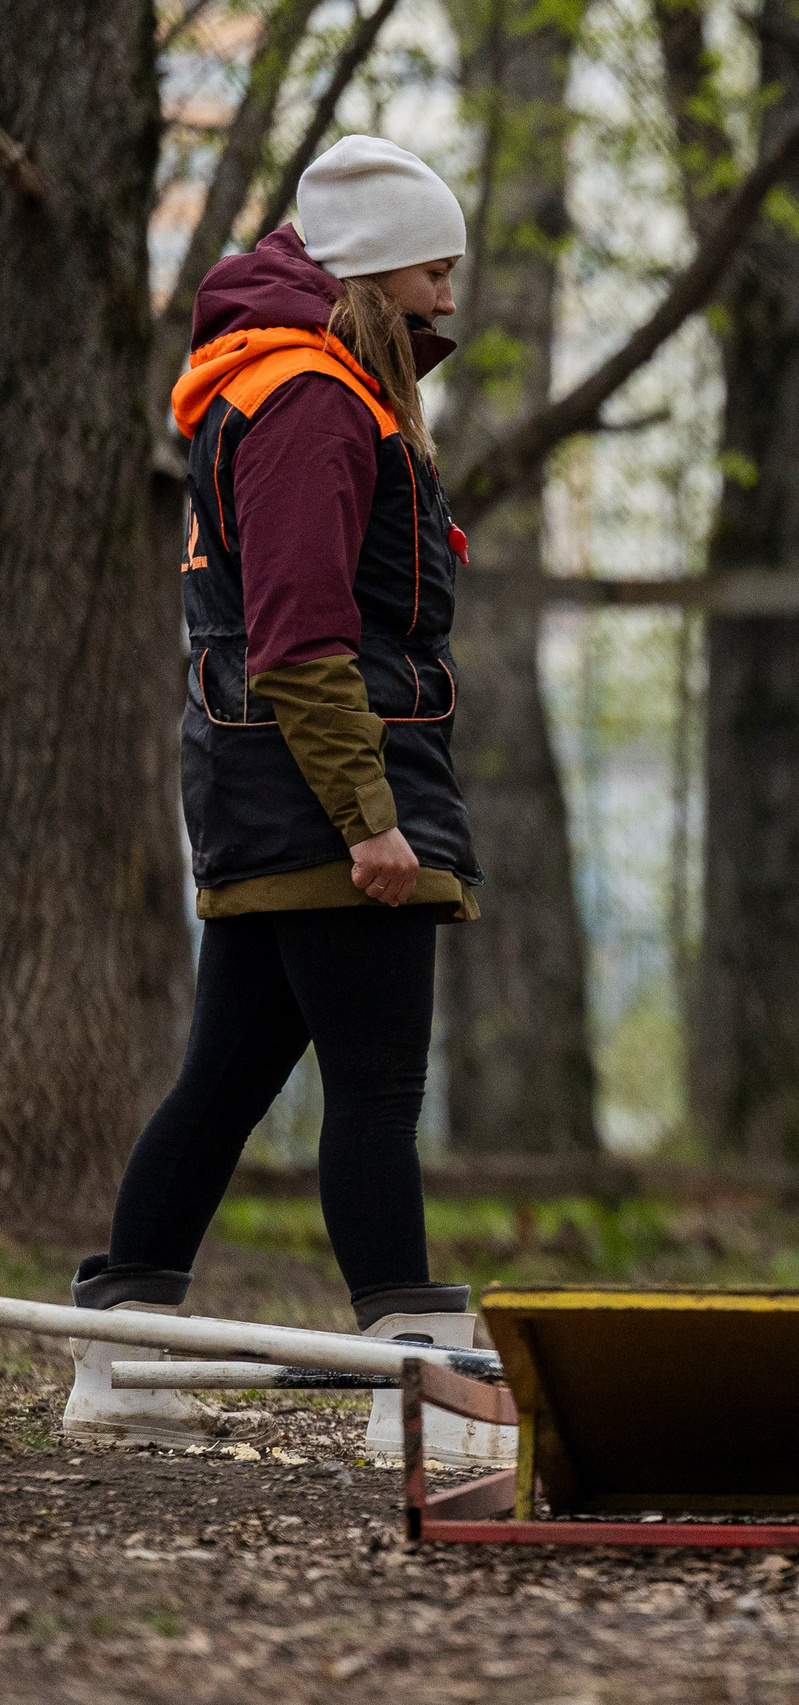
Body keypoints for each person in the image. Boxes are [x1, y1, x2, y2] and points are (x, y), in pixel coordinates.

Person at [63, 137, 491, 1449]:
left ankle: (122, 1353)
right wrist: (371, 820)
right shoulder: (310, 402)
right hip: (323, 791)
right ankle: (415, 1368)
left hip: (267, 790)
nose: (449, 304)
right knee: (375, 1084)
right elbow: (303, 638)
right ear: (373, 276)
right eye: (434, 273)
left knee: (225, 1077)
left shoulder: (289, 388)